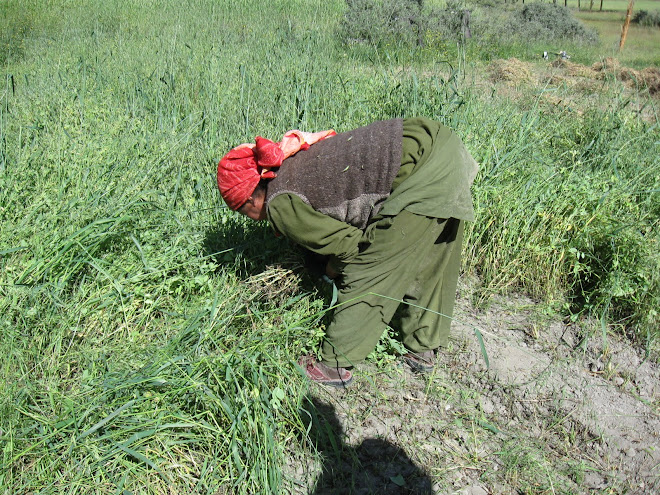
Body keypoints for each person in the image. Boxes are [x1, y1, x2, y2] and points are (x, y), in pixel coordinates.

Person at [217, 118, 478, 387]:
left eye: (242, 212)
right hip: (442, 145)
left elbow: (354, 247)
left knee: (374, 264)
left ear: (249, 199)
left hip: (423, 166)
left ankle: (334, 365)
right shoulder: (291, 167)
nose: (249, 218)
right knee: (427, 256)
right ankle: (422, 347)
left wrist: (331, 268)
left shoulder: (279, 203)